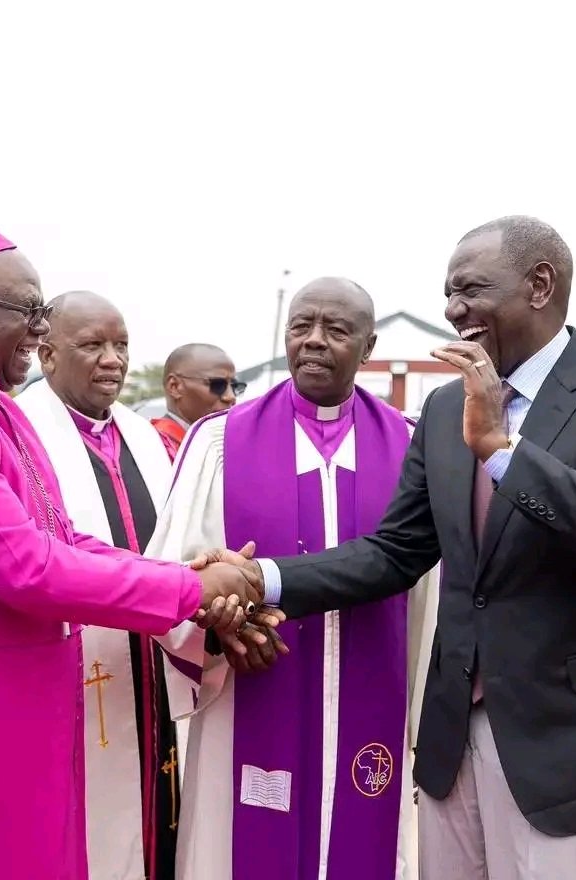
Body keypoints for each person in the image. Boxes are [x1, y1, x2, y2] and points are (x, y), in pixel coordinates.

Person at [207, 216, 576, 880]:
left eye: (470, 289)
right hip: (452, 738)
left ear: (539, 285)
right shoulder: (445, 408)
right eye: (448, 293)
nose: (452, 309)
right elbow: (395, 553)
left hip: (570, 743)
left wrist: (503, 452)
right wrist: (260, 579)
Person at [0, 225, 265, 880]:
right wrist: (192, 591)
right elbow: (25, 566)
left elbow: (63, 537)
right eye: (28, 311)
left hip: (26, 702)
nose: (39, 330)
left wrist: (182, 572)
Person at [149, 278, 435, 880]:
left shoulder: (410, 445)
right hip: (249, 699)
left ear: (369, 345)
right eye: (301, 326)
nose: (314, 341)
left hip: (373, 692)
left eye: (336, 330)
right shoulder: (219, 440)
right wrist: (220, 628)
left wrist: (422, 714)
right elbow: (175, 573)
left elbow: (432, 597)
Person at [17, 290, 187, 880]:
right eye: (92, 345)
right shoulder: (21, 432)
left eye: (121, 345)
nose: (113, 360)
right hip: (72, 667)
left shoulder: (144, 436)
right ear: (47, 354)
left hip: (154, 662)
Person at [151, 343, 243, 459]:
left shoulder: (215, 443)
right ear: (175, 386)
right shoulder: (153, 447)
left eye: (234, 386)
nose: (230, 397)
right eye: (217, 385)